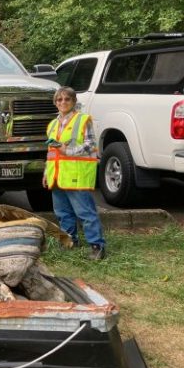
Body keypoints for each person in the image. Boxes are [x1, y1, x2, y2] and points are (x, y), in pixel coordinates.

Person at [43, 86, 106, 260]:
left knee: (85, 213)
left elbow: (90, 145)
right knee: (63, 213)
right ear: (55, 103)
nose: (63, 102)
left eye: (67, 99)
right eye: (59, 99)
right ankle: (70, 242)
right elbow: (51, 151)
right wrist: (46, 172)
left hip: (77, 175)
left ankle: (97, 247)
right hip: (58, 176)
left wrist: (67, 151)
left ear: (74, 101)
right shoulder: (53, 124)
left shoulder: (83, 120)